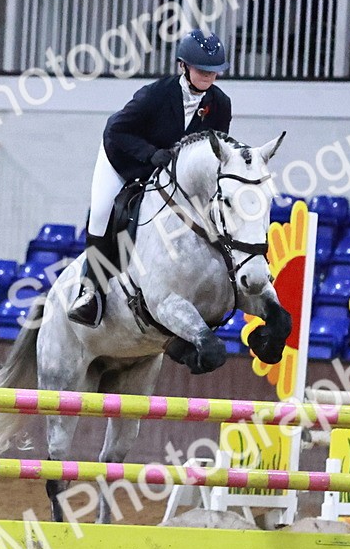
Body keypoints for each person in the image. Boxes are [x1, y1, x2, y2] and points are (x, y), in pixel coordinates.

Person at [67, 29, 233, 327]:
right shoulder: (155, 94)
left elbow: (214, 149)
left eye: (214, 71)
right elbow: (116, 131)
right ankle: (89, 293)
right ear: (183, 66)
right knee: (104, 210)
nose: (209, 76)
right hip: (124, 157)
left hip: (172, 173)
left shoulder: (220, 104)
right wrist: (148, 154)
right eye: (202, 70)